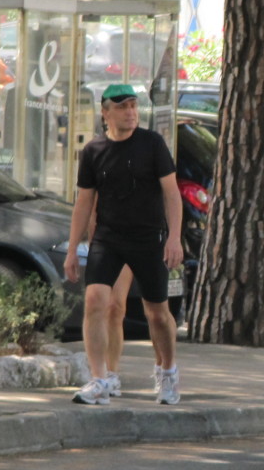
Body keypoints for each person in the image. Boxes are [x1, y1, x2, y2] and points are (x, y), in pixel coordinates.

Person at [65, 83, 183, 405]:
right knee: (96, 302)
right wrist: (73, 248)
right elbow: (84, 202)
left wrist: (174, 238)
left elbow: (172, 193)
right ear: (105, 113)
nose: (131, 112)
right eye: (122, 106)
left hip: (149, 238)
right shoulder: (93, 151)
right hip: (109, 238)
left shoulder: (153, 144)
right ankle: (100, 379)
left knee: (156, 313)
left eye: (133, 106)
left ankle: (169, 373)